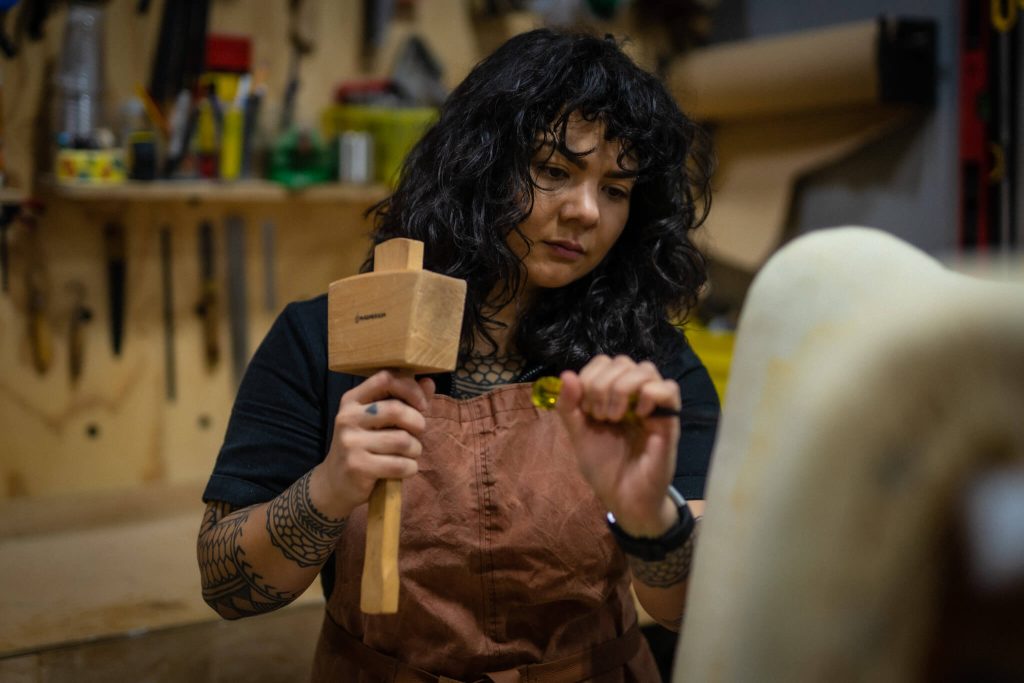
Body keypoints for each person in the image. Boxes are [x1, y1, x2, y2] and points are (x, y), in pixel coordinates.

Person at [197, 27, 719, 682]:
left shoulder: (645, 366)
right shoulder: (328, 338)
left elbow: (688, 610)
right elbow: (225, 586)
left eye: (615, 189)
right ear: (481, 164)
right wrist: (326, 491)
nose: (586, 210)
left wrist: (650, 518)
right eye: (553, 172)